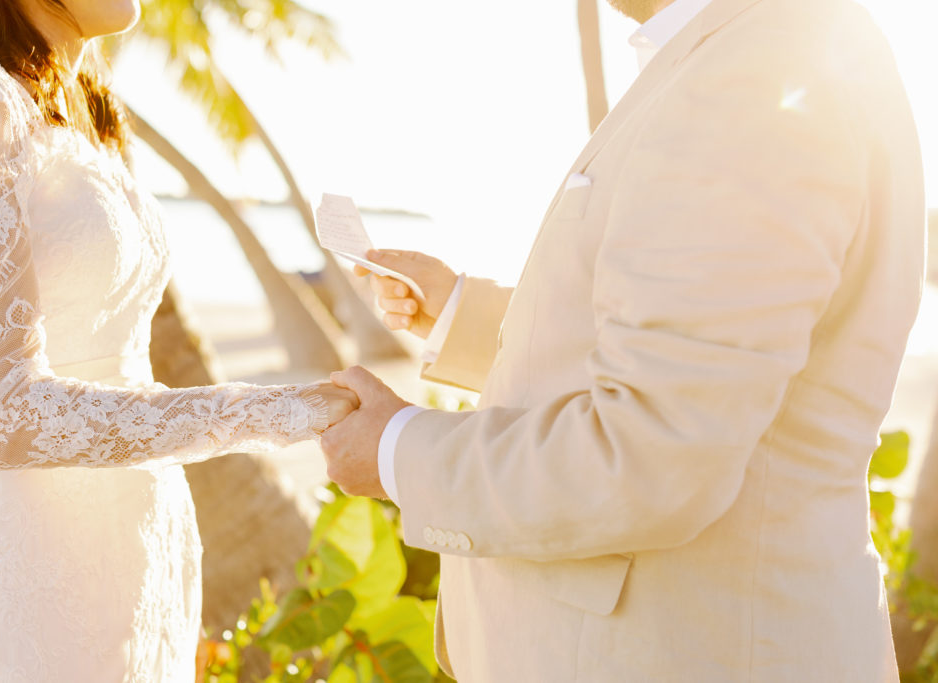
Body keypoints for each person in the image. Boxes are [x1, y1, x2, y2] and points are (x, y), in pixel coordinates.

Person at [320, 0, 926, 680]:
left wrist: (397, 451)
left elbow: (652, 448)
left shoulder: (761, 72)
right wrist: (459, 310)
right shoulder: (750, 53)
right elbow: (689, 342)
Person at [0, 0, 357, 680]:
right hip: (23, 581)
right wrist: (272, 412)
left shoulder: (80, 105)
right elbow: (2, 410)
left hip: (132, 566)